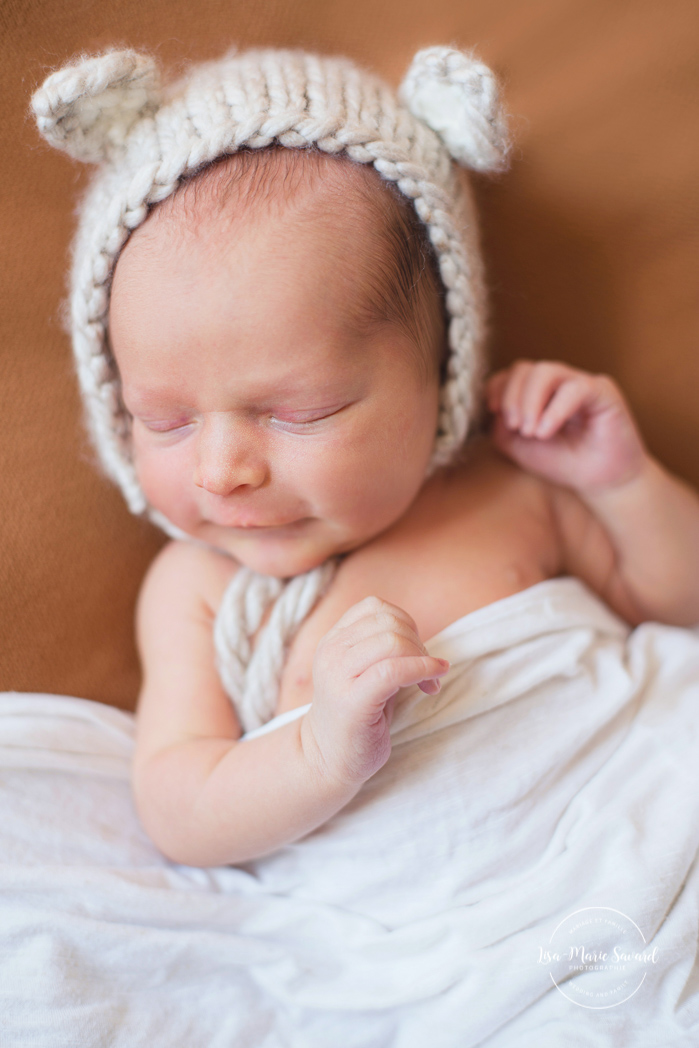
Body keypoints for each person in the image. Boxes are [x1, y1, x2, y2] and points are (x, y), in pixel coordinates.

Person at [32, 44, 699, 872]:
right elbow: (180, 806)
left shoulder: (509, 488)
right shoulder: (200, 591)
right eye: (163, 421)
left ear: (440, 376)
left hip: (647, 821)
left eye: (299, 412)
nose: (221, 470)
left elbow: (678, 604)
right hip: (451, 929)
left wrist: (622, 485)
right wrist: (318, 752)